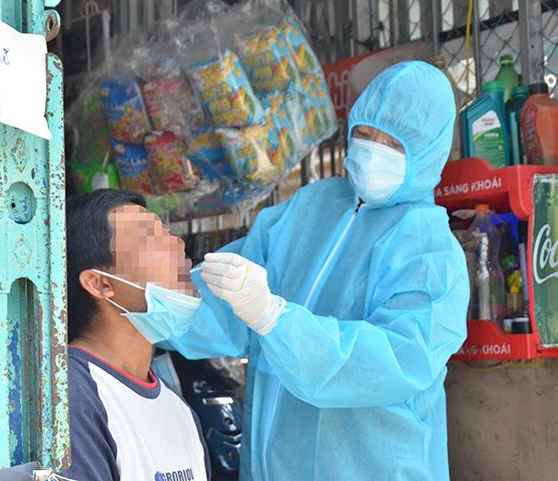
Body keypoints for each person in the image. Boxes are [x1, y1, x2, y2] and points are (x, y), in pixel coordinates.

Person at [155, 61, 470, 480]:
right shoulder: (309, 208)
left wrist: (275, 319)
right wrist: (149, 304)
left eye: (392, 144)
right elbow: (223, 299)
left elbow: (394, 360)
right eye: (364, 134)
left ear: (428, 153)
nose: (372, 150)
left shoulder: (429, 248)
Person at [62, 189, 210, 481]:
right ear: (100, 283)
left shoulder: (178, 410)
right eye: (150, 240)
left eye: (168, 234)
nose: (177, 246)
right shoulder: (70, 394)